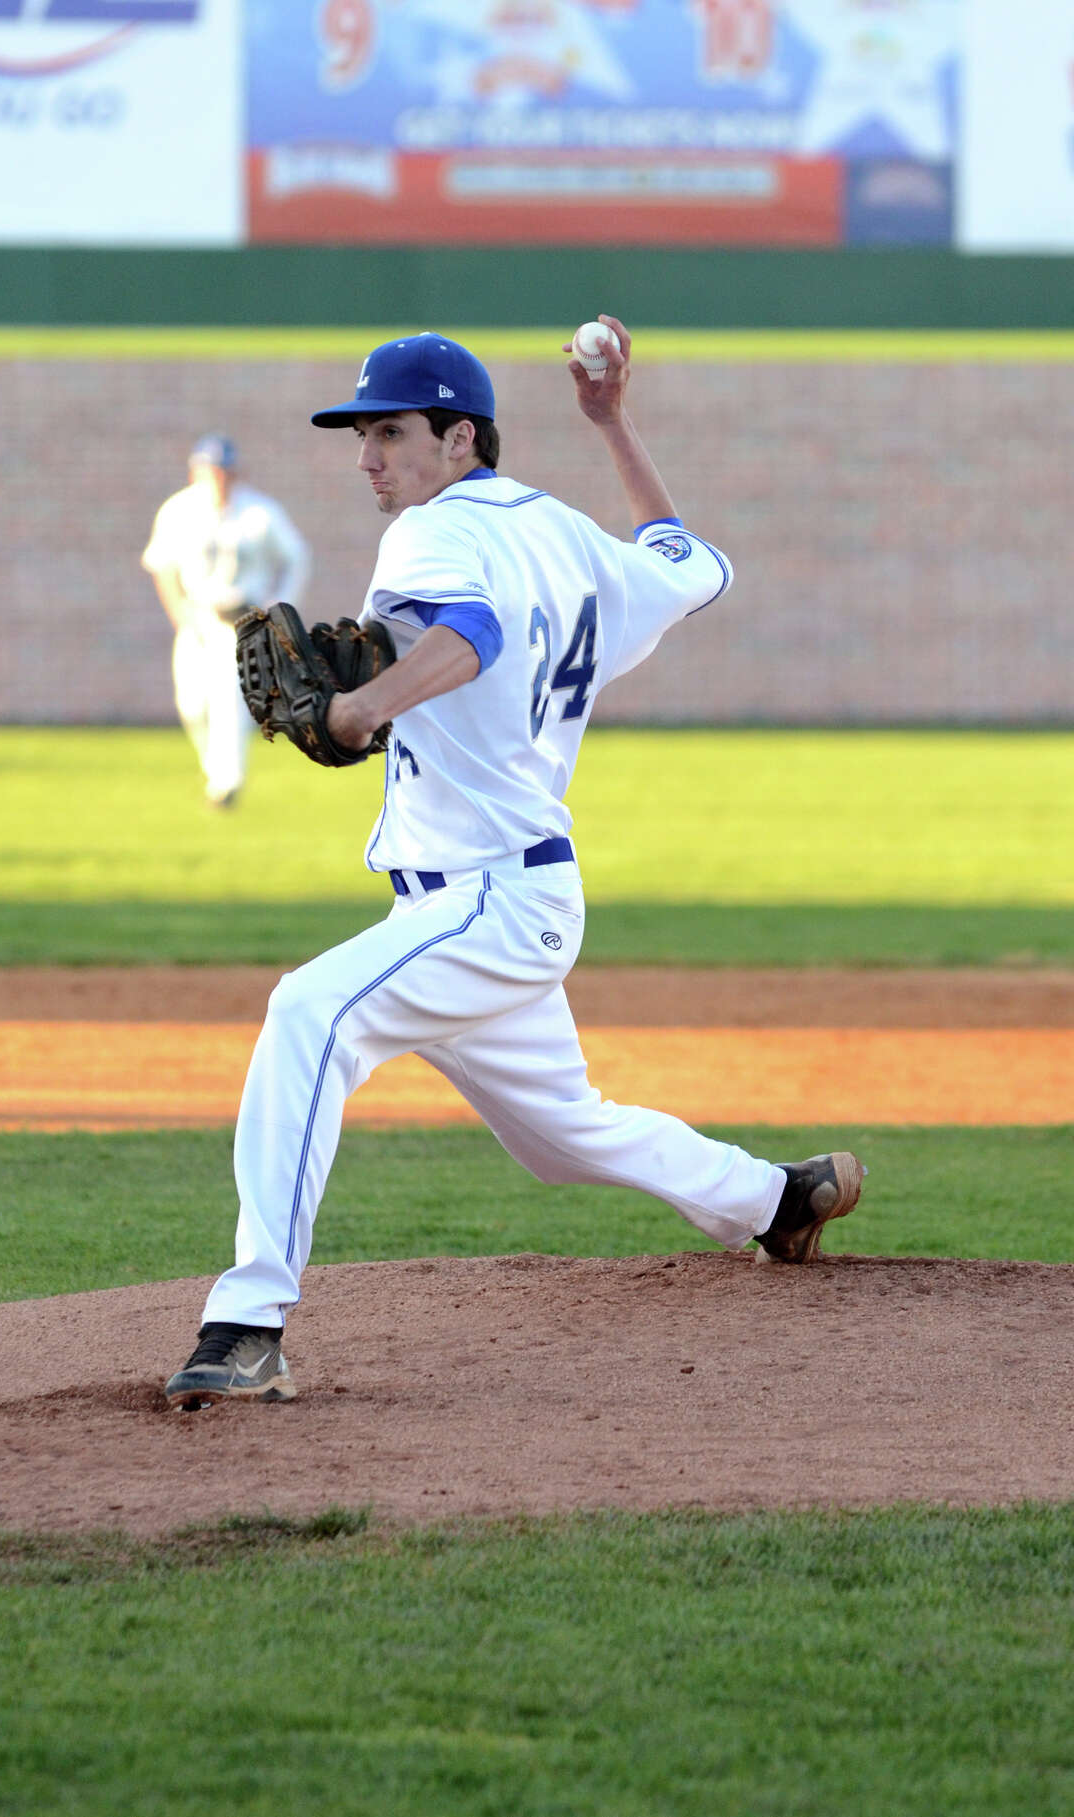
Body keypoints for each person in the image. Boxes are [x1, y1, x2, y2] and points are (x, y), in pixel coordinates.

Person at [164, 320, 864, 1409]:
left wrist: (357, 710)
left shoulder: (435, 532)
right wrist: (614, 423)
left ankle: (248, 1322)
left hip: (487, 895)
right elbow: (688, 559)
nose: (368, 457)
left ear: (458, 437)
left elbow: (474, 632)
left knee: (310, 1013)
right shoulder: (579, 541)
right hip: (516, 893)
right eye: (361, 435)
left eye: (389, 431)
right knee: (565, 1133)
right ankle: (778, 1199)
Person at [141, 433, 311, 809]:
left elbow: (296, 558)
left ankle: (227, 783)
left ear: (235, 474)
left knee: (230, 701)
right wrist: (180, 614)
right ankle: (215, 772)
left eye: (223, 471)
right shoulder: (179, 511)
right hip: (197, 617)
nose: (217, 478)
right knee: (192, 704)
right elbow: (163, 566)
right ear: (195, 473)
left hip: (242, 620)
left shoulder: (259, 512)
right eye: (210, 470)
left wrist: (277, 608)